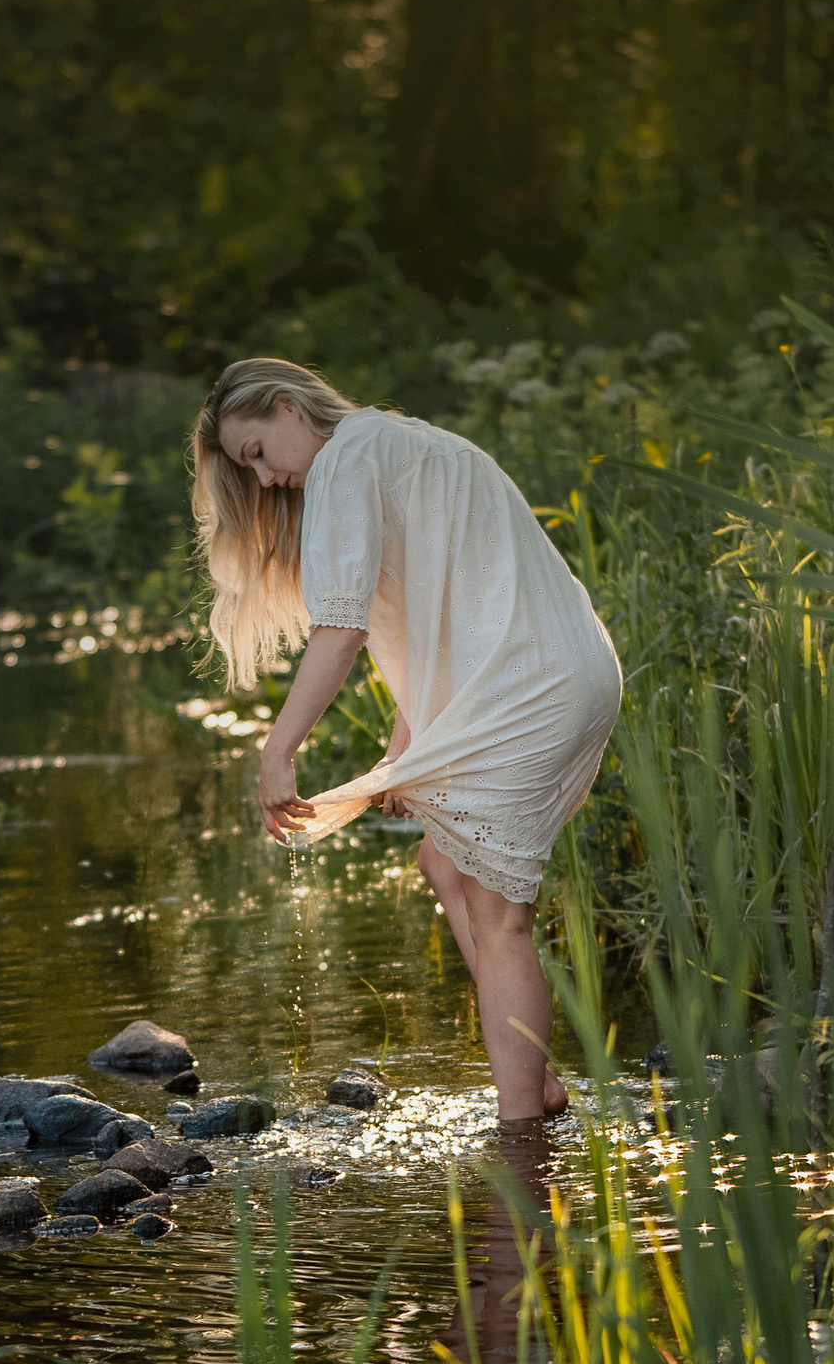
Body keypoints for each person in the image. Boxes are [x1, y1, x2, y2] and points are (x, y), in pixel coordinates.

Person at [191, 355, 623, 1124]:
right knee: (443, 860)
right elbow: (442, 613)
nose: (262, 481)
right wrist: (404, 747)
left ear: (289, 408)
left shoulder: (345, 461)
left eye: (256, 453)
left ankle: (525, 1121)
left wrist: (277, 749)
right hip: (545, 669)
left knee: (500, 917)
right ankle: (539, 1088)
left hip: (533, 684)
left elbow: (342, 629)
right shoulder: (402, 442)